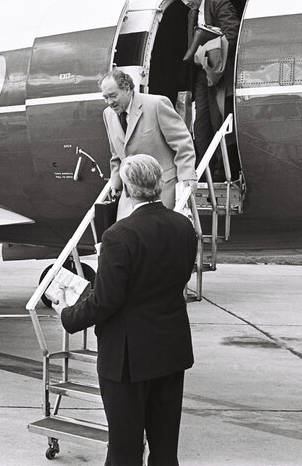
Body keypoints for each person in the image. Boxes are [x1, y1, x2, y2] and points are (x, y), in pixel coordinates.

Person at [56, 154, 198, 465]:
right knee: (164, 451)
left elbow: (105, 301)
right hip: (170, 351)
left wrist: (67, 313)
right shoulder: (184, 227)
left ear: (129, 189)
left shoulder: (119, 235)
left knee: (125, 450)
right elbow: (179, 278)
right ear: (158, 184)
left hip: (128, 360)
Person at [100, 69, 197, 220]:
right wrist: (116, 182)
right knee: (128, 237)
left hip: (161, 189)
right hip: (130, 192)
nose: (109, 102)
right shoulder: (108, 114)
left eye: (113, 96)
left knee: (160, 237)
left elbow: (182, 142)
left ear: (127, 89)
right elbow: (116, 154)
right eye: (105, 97)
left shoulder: (157, 104)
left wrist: (187, 176)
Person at [175, 0, 240, 181]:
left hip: (218, 71)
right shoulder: (191, 14)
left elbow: (233, 34)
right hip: (201, 74)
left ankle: (222, 171)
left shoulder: (220, 4)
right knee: (200, 124)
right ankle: (206, 170)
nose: (186, 3)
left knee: (218, 120)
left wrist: (209, 43)